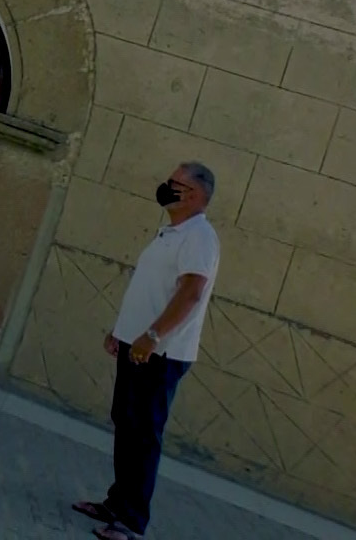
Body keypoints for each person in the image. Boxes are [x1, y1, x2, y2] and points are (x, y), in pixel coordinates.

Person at [71, 162, 221, 540]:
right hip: (137, 347)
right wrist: (122, 334)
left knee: (143, 433)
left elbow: (191, 293)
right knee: (127, 422)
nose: (166, 187)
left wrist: (152, 337)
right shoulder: (171, 233)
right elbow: (151, 290)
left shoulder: (199, 237)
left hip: (161, 354)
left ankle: (132, 520)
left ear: (195, 195)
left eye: (175, 183)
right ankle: (117, 502)